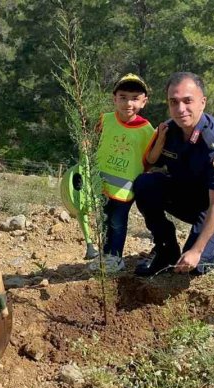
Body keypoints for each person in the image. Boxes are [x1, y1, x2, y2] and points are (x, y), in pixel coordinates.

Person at [135, 72, 214, 276]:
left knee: (194, 265)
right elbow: (150, 162)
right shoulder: (169, 131)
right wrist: (158, 140)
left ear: (203, 102)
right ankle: (165, 250)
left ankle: (212, 249)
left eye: (187, 101)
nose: (180, 109)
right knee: (144, 184)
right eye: (173, 102)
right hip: (187, 197)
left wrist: (196, 250)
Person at [88, 73, 154, 273]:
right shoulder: (105, 120)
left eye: (135, 98)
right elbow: (92, 143)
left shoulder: (147, 130)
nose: (128, 103)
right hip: (101, 185)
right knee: (105, 220)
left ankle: (115, 258)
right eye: (123, 97)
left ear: (144, 102)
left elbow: (150, 159)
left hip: (125, 189)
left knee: (117, 222)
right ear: (114, 98)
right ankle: (106, 254)